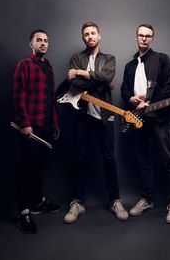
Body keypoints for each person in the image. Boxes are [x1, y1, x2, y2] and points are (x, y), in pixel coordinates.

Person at [58, 22, 128, 223]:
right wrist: (100, 81)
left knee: (109, 159)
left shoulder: (110, 59)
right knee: (80, 158)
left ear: (99, 36)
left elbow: (106, 75)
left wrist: (80, 73)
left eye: (93, 33)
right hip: (82, 116)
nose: (90, 36)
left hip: (105, 115)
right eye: (86, 34)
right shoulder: (76, 58)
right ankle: (77, 202)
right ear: (83, 38)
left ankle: (115, 200)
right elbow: (75, 84)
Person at [121, 23, 170, 223]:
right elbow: (124, 90)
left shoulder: (162, 59)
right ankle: (147, 199)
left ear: (152, 39)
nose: (144, 38)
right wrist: (131, 98)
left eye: (148, 36)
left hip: (158, 117)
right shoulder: (129, 66)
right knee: (143, 160)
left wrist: (149, 103)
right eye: (141, 35)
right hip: (137, 120)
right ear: (136, 37)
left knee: (168, 159)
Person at [13, 29, 61, 234]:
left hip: (46, 127)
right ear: (30, 44)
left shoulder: (48, 68)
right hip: (30, 126)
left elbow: (51, 99)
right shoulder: (24, 65)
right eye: (39, 40)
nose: (43, 43)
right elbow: (18, 95)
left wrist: (55, 124)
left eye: (46, 41)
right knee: (26, 169)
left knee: (40, 167)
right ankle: (23, 212)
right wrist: (24, 123)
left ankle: (38, 203)